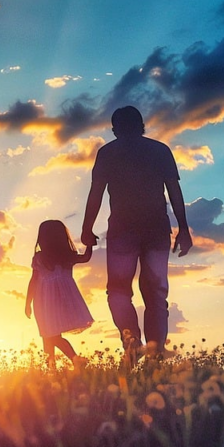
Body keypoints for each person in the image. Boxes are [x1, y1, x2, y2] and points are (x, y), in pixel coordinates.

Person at [81, 106, 193, 363]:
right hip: (156, 229)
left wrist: (87, 229)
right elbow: (174, 191)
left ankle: (132, 344)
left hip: (122, 230)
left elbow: (96, 193)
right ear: (142, 124)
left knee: (119, 291)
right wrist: (183, 229)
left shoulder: (108, 153)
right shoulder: (159, 150)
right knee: (155, 293)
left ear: (114, 128)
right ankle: (155, 354)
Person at [25, 219, 94, 369]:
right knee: (48, 335)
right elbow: (86, 257)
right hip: (59, 299)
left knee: (51, 335)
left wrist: (28, 302)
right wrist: (89, 243)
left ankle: (75, 360)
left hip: (44, 300)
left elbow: (33, 281)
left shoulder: (41, 258)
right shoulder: (66, 256)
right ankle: (51, 369)